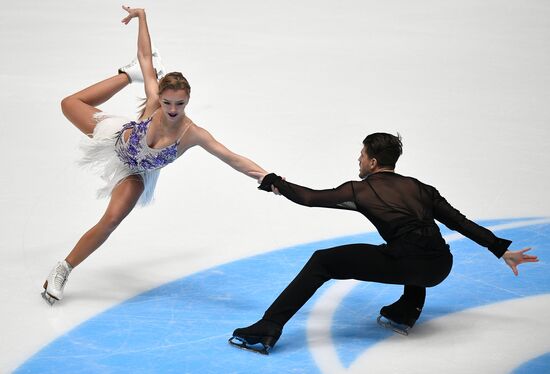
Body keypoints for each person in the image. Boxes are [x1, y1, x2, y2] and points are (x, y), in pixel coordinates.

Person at [229, 132, 538, 354]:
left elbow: (309, 198)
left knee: (323, 261)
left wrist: (274, 182)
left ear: (373, 161)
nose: (358, 160)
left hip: (408, 262)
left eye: (361, 155)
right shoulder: (421, 188)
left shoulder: (360, 190)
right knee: (410, 246)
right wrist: (501, 250)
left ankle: (267, 327)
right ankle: (405, 310)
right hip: (440, 267)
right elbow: (460, 222)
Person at [41, 6, 269, 305]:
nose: (172, 110)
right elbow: (146, 57)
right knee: (69, 103)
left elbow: (232, 158)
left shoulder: (193, 134)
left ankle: (63, 268)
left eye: (179, 104)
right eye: (167, 102)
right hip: (115, 139)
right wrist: (142, 17)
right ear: (160, 97)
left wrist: (268, 177)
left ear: (188, 100)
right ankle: (127, 75)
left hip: (135, 172)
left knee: (111, 220)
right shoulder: (152, 103)